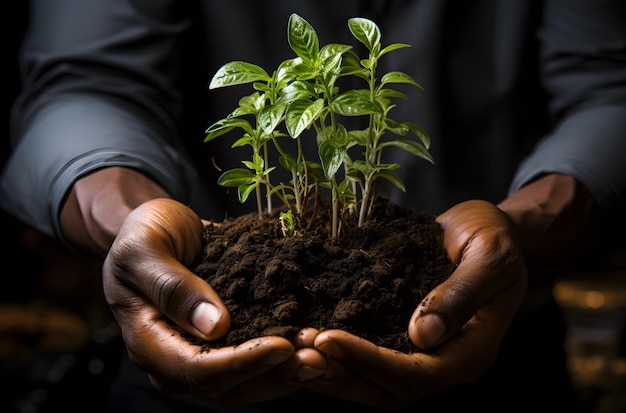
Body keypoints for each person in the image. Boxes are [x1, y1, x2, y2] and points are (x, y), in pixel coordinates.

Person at [2, 0, 625, 412]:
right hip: (183, 376)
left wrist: (515, 230)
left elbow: (611, 88)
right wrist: (130, 224)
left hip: (492, 362)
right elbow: (85, 83)